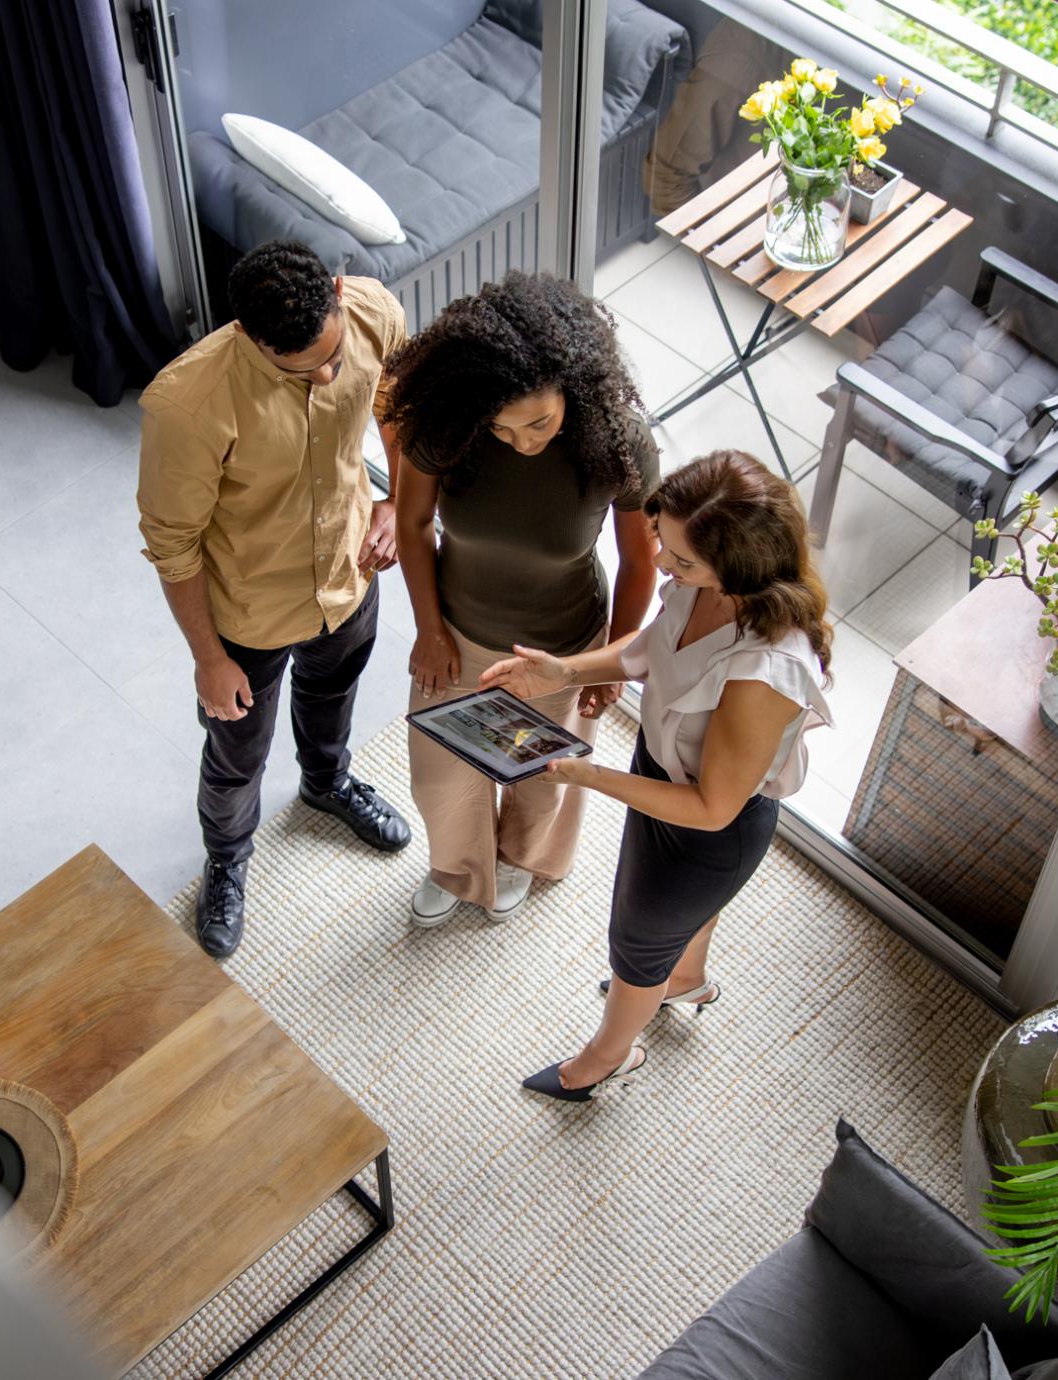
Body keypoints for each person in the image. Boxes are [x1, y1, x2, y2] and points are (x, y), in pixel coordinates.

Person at [479, 450, 833, 1101]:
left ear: (741, 563)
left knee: (636, 940)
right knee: (671, 930)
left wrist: (590, 776)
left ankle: (607, 1057)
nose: (664, 567)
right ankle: (686, 979)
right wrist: (567, 670)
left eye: (681, 560)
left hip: (708, 827)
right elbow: (649, 650)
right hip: (660, 773)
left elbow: (711, 808)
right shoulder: (703, 585)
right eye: (664, 548)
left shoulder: (766, 669)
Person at [138, 240, 413, 959]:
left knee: (334, 696)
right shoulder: (188, 406)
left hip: (349, 578)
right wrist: (206, 659)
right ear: (252, 339)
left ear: (335, 288)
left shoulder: (372, 310)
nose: (329, 374)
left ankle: (327, 784)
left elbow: (399, 399)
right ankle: (227, 859)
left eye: (334, 355)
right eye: (306, 369)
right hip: (249, 615)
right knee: (237, 758)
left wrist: (394, 502)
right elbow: (173, 544)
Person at [380, 272, 660, 927]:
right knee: (442, 774)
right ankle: (456, 867)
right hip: (458, 627)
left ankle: (522, 859)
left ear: (574, 385)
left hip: (563, 644)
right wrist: (429, 629)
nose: (524, 441)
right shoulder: (447, 425)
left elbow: (642, 558)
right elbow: (414, 523)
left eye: (537, 423)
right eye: (504, 431)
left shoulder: (619, 443)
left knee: (538, 773)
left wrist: (613, 659)